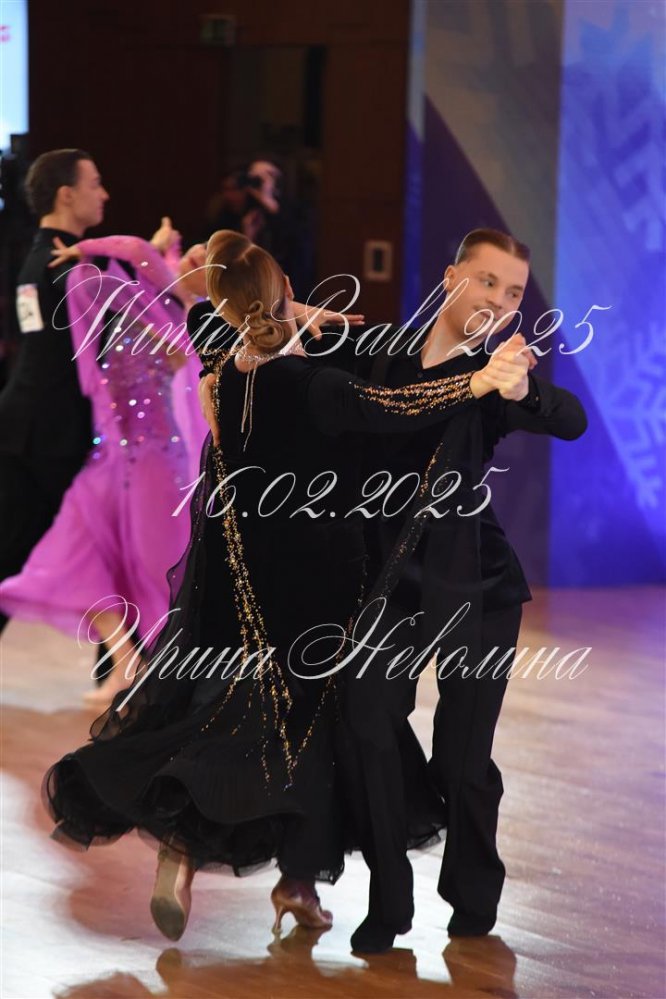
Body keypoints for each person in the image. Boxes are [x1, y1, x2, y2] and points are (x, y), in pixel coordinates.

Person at [42, 230, 516, 944]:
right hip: (315, 585)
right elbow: (390, 409)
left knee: (225, 718)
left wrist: (299, 318)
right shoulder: (313, 384)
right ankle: (297, 880)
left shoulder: (225, 371)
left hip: (237, 587)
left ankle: (189, 850)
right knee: (316, 734)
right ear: (285, 291)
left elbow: (216, 331)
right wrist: (472, 384)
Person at [330, 228, 588, 952]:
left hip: (477, 583)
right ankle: (388, 899)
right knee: (368, 724)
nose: (500, 302)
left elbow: (570, 420)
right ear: (451, 279)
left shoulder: (496, 375)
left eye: (514, 294)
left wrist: (524, 388)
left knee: (461, 757)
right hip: (390, 585)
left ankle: (472, 891)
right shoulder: (381, 354)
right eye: (488, 282)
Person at [0, 232, 208, 706]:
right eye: (195, 250)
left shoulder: (183, 318)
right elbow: (98, 279)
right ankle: (126, 664)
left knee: (153, 577)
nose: (196, 257)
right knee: (72, 557)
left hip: (155, 463)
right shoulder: (145, 296)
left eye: (207, 262)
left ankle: (161, 680)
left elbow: (133, 251)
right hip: (110, 458)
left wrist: (87, 246)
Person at [0, 150, 109, 628]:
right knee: (102, 552)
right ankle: (126, 667)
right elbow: (128, 316)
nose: (104, 194)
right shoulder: (63, 267)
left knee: (14, 554)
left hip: (26, 425)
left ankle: (123, 666)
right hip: (48, 435)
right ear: (67, 195)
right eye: (95, 183)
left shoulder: (38, 260)